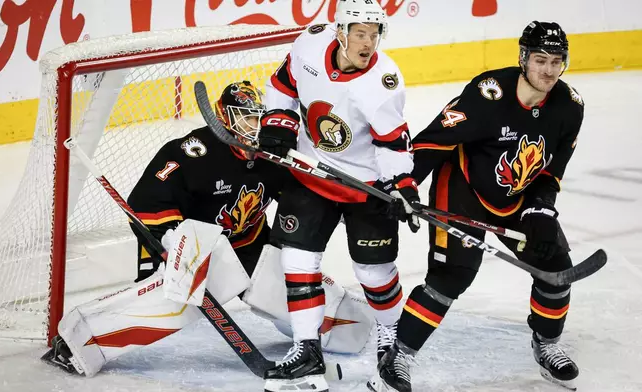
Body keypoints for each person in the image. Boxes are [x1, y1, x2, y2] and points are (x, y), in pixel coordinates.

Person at [41, 81, 374, 378]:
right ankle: (76, 341)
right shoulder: (194, 152)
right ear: (224, 117)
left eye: (258, 118)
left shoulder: (273, 153)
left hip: (252, 244)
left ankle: (350, 327)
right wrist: (172, 239)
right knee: (173, 301)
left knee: (332, 313)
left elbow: (310, 192)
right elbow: (147, 199)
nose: (253, 127)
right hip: (197, 248)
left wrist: (349, 203)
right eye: (245, 118)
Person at [369, 21, 585, 392]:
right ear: (523, 58)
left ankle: (546, 344)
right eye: (540, 60)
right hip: (463, 188)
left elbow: (550, 173)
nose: (548, 70)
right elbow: (432, 142)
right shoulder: (489, 95)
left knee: (556, 267)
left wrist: (541, 211)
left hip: (516, 196)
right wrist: (405, 185)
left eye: (556, 61)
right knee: (453, 275)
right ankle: (398, 356)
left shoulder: (569, 106)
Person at [257, 1, 422, 391]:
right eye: (360, 33)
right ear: (340, 32)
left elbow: (393, 143)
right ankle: (307, 351)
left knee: (374, 274)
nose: (368, 43)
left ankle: (391, 340)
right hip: (311, 173)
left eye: (374, 34)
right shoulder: (309, 45)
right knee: (297, 261)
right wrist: (279, 123)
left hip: (364, 185)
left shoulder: (383, 80)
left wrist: (400, 184)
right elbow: (282, 87)